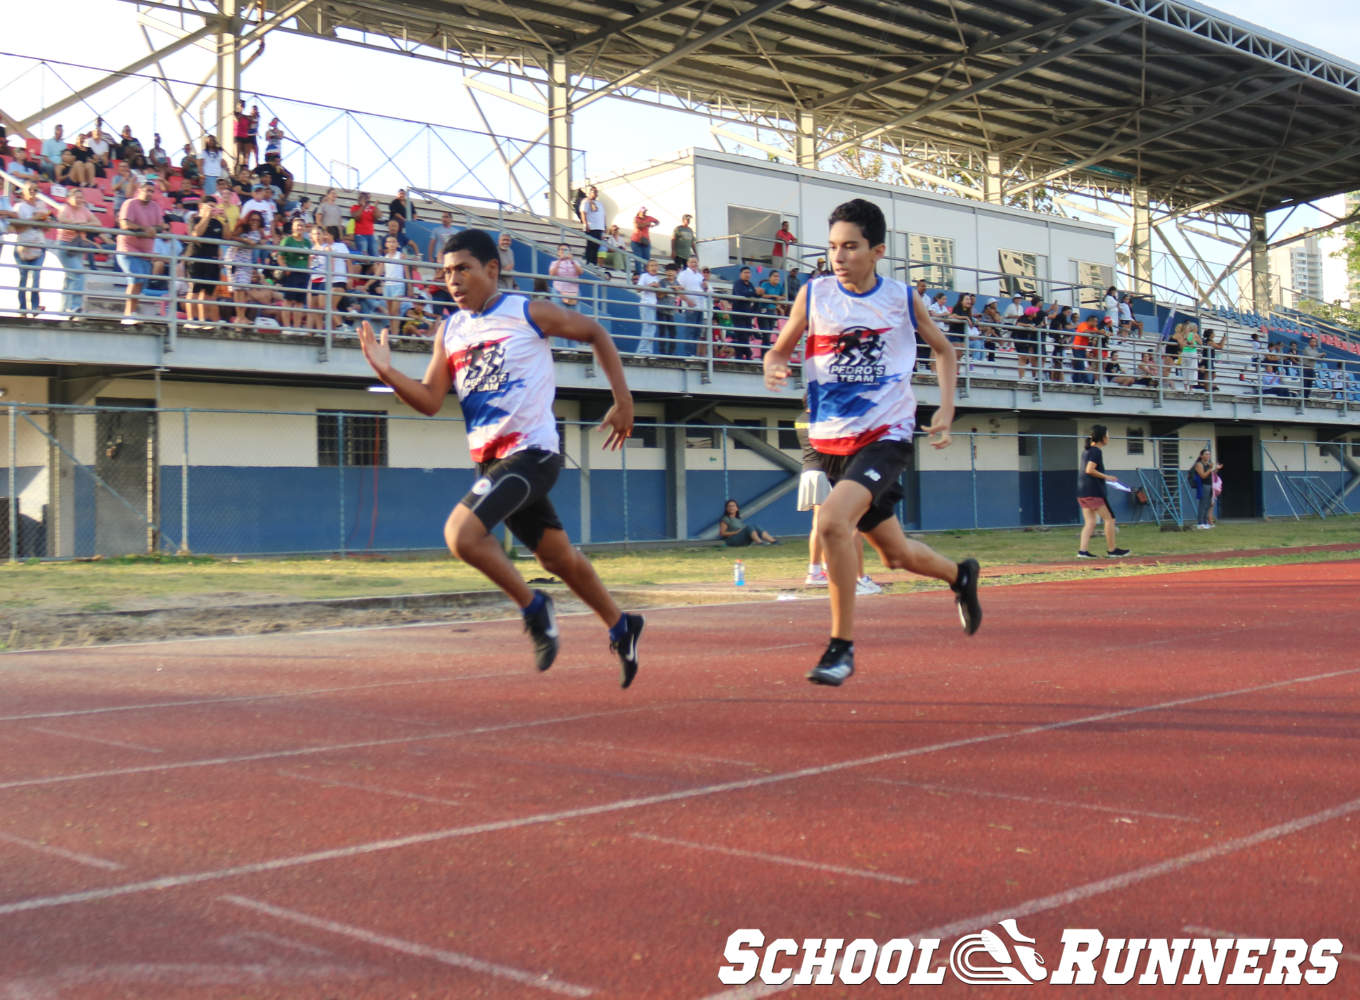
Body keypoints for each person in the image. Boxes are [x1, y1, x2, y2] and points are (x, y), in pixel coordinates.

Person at [357, 228, 644, 687]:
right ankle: (621, 624)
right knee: (557, 559)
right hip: (492, 462)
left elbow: (595, 331)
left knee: (461, 534)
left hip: (532, 453)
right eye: (446, 272)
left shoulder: (528, 312)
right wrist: (388, 371)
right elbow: (431, 400)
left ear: (493, 269)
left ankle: (535, 609)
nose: (452, 280)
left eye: (463, 269)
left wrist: (623, 400)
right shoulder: (449, 330)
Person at [762, 198, 981, 687]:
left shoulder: (901, 299)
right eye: (833, 246)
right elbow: (782, 345)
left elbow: (944, 350)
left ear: (877, 251)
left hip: (885, 435)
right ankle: (960, 576)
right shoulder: (814, 294)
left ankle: (841, 647)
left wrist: (946, 407)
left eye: (851, 247)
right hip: (826, 440)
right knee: (896, 555)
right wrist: (774, 361)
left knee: (834, 522)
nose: (838, 256)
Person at [1076, 425, 1130, 559]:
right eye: (1107, 434)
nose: (1108, 437)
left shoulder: (1086, 451)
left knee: (1090, 522)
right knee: (1109, 519)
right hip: (1094, 492)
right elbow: (1089, 470)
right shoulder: (1096, 451)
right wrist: (1107, 477)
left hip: (1082, 491)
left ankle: (1083, 551)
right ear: (1102, 437)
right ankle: (1112, 550)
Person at [116, 179, 164, 323]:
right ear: (139, 190)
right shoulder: (130, 203)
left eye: (151, 191)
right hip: (128, 249)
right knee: (135, 279)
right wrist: (143, 229)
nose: (149, 193)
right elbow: (124, 223)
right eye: (147, 190)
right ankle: (129, 314)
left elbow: (161, 226)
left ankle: (131, 313)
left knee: (140, 282)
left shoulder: (155, 207)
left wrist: (153, 229)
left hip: (146, 252)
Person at [54, 188, 99, 317]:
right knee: (78, 273)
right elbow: (62, 219)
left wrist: (80, 224)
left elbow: (97, 222)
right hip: (65, 245)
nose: (80, 200)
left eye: (81, 197)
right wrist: (79, 224)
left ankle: (63, 309)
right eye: (77, 197)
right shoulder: (65, 208)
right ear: (69, 198)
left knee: (70, 278)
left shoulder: (85, 210)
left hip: (78, 245)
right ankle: (75, 306)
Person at [13, 183, 52, 317]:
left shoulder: (41, 206)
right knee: (23, 279)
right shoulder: (19, 207)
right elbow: (18, 229)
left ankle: (35, 307)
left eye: (35, 189)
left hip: (39, 245)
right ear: (24, 192)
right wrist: (34, 219)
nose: (33, 192)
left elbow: (47, 229)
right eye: (30, 190)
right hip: (23, 246)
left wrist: (45, 220)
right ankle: (23, 309)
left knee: (36, 277)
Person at [186, 197, 225, 326]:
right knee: (194, 291)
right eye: (209, 206)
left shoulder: (217, 223)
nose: (212, 209)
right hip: (197, 259)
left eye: (213, 206)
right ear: (201, 206)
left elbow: (227, 237)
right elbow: (197, 233)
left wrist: (225, 219)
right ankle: (192, 320)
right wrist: (206, 216)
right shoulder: (194, 219)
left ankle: (205, 321)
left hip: (212, 261)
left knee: (209, 294)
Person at [1190, 448, 1222, 530]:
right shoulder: (1199, 464)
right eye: (1206, 454)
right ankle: (1200, 523)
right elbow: (1203, 476)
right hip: (1203, 485)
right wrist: (1210, 469)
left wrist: (1216, 469)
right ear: (1201, 455)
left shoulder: (1208, 464)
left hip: (1210, 485)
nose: (1208, 456)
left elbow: (1211, 474)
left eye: (1209, 454)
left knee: (1208, 504)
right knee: (1203, 504)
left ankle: (1205, 522)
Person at [634, 258, 661, 355]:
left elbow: (659, 295)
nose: (654, 267)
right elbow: (638, 289)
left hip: (653, 305)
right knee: (648, 329)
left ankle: (648, 351)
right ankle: (641, 352)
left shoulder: (657, 279)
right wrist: (650, 285)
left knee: (652, 330)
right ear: (647, 268)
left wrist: (658, 288)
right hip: (646, 304)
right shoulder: (644, 276)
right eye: (652, 265)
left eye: (656, 265)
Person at [579, 185, 605, 267]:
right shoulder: (586, 201)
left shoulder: (600, 203)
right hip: (592, 227)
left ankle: (593, 263)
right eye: (594, 191)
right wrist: (585, 224)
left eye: (596, 192)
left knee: (596, 246)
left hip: (599, 228)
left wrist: (604, 227)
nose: (596, 193)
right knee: (591, 245)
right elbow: (583, 212)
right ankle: (589, 262)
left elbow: (602, 215)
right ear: (590, 192)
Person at [630, 206, 659, 274]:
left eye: (645, 211)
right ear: (639, 211)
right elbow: (639, 226)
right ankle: (639, 274)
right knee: (638, 259)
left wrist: (654, 225)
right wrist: (648, 223)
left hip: (646, 241)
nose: (644, 213)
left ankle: (646, 274)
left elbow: (657, 222)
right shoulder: (636, 218)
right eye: (643, 211)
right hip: (636, 241)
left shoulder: (649, 217)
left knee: (646, 260)